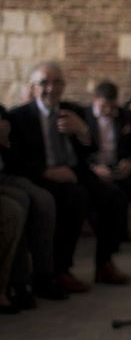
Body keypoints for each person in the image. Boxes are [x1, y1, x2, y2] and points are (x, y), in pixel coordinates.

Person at [8, 62, 131, 293]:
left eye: (57, 82)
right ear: (33, 87)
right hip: (43, 176)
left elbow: (92, 149)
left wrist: (83, 131)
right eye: (44, 83)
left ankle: (105, 264)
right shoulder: (20, 116)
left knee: (114, 196)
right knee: (75, 198)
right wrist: (46, 172)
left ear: (63, 86)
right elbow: (16, 158)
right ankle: (61, 270)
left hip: (76, 173)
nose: (51, 88)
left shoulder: (73, 110)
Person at [0, 105, 68, 309]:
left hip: (7, 175)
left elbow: (15, 158)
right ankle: (17, 284)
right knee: (18, 203)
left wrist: (5, 143)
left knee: (44, 199)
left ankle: (43, 275)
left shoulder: (4, 113)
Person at [84, 80, 131, 253]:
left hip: (121, 167)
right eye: (103, 106)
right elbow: (78, 151)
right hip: (95, 169)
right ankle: (108, 235)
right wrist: (94, 167)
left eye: (112, 106)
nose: (108, 111)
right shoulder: (83, 116)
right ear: (94, 99)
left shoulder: (126, 115)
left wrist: (130, 162)